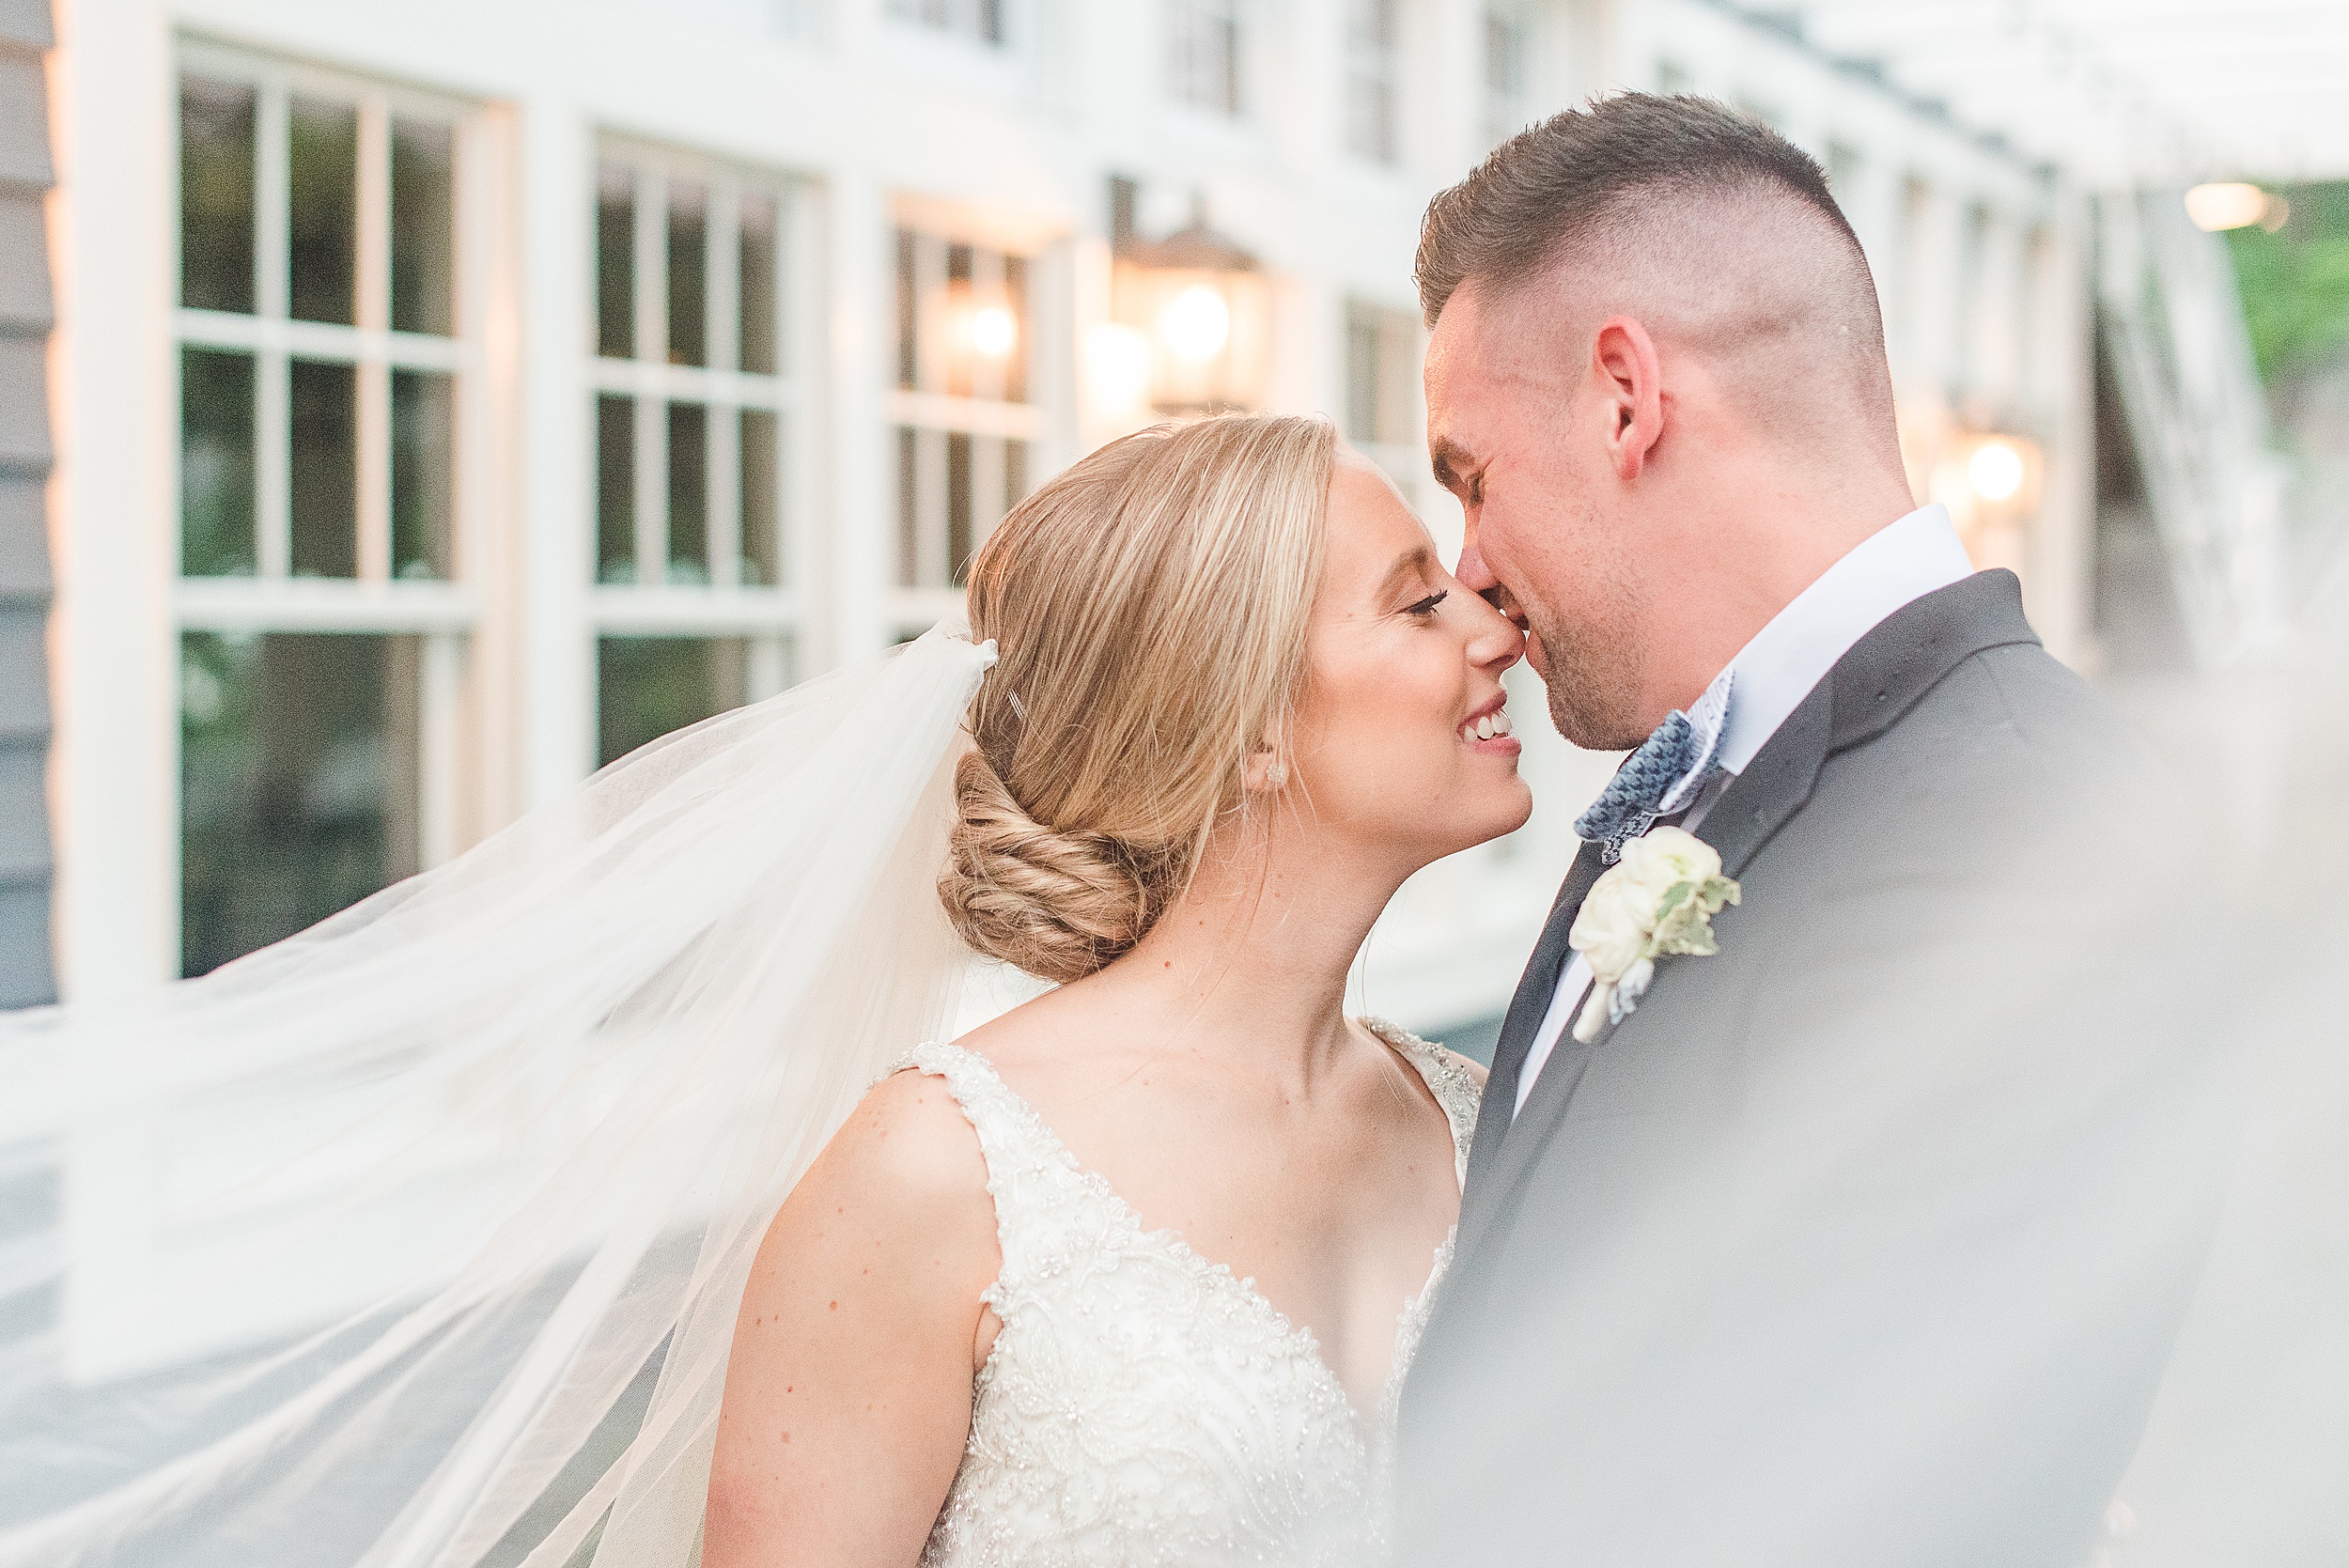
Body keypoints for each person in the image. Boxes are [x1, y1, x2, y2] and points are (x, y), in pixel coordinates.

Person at [1394, 94, 2227, 1565]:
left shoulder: (2015, 828)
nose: (1471, 563)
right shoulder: (1707, 778)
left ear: (1624, 398)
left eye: (1473, 475)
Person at [700, 413, 1528, 1565]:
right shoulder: (939, 1173)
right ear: (1246, 729)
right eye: (1419, 600)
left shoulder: (1487, 1131)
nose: (1496, 631)